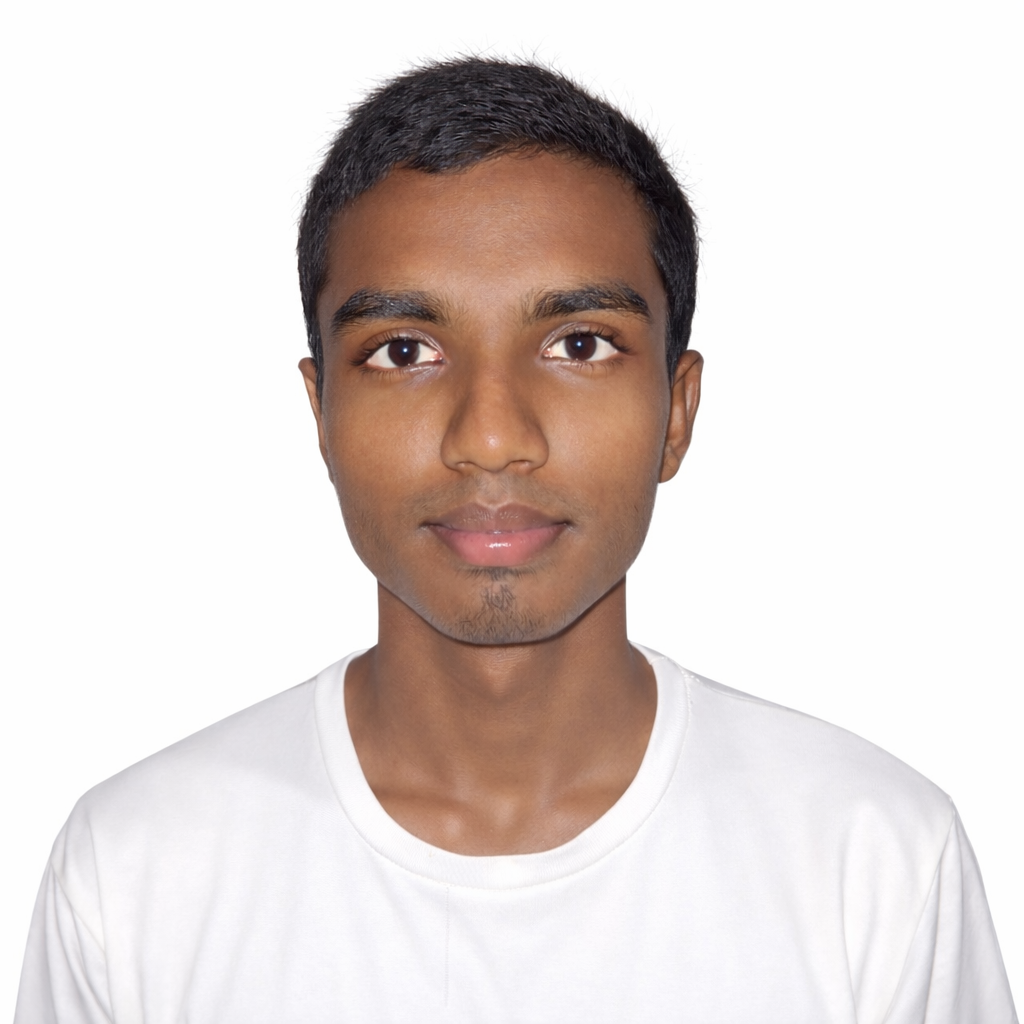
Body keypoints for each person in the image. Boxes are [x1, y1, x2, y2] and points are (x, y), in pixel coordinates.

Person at [15, 58, 1016, 1024]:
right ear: (321, 414)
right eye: (404, 350)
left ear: (676, 411)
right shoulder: (137, 872)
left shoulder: (873, 862)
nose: (491, 435)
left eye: (579, 344)